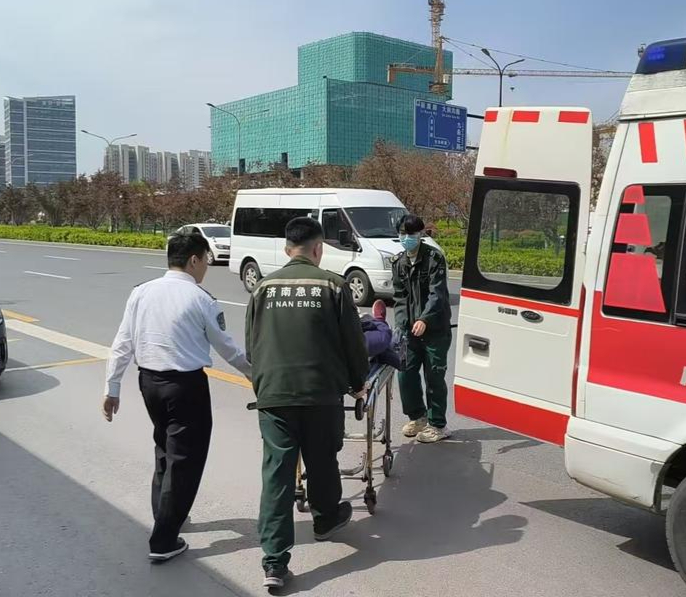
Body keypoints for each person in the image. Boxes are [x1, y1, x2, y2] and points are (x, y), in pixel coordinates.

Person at [101, 233, 251, 563]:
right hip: (185, 387)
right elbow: (226, 347)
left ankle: (166, 516)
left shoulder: (141, 292)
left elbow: (122, 343)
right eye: (206, 260)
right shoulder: (201, 299)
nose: (206, 267)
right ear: (194, 260)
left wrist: (112, 389)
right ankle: (164, 540)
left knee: (165, 449)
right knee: (185, 460)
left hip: (149, 383)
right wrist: (254, 375)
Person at [245, 217, 369, 589]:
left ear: (287, 249)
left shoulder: (263, 287)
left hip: (274, 396)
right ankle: (326, 519)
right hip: (320, 394)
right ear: (318, 249)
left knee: (277, 475)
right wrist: (358, 384)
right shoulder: (332, 285)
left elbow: (252, 346)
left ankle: (274, 563)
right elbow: (353, 343)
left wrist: (265, 384)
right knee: (322, 460)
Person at [392, 214, 453, 443]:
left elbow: (438, 294)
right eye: (402, 233)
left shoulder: (434, 258)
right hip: (409, 331)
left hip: (435, 330)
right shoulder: (399, 262)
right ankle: (418, 417)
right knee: (405, 373)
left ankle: (438, 424)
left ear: (420, 234)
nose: (406, 238)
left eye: (411, 234)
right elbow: (399, 297)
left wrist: (425, 319)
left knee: (434, 376)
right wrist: (401, 324)